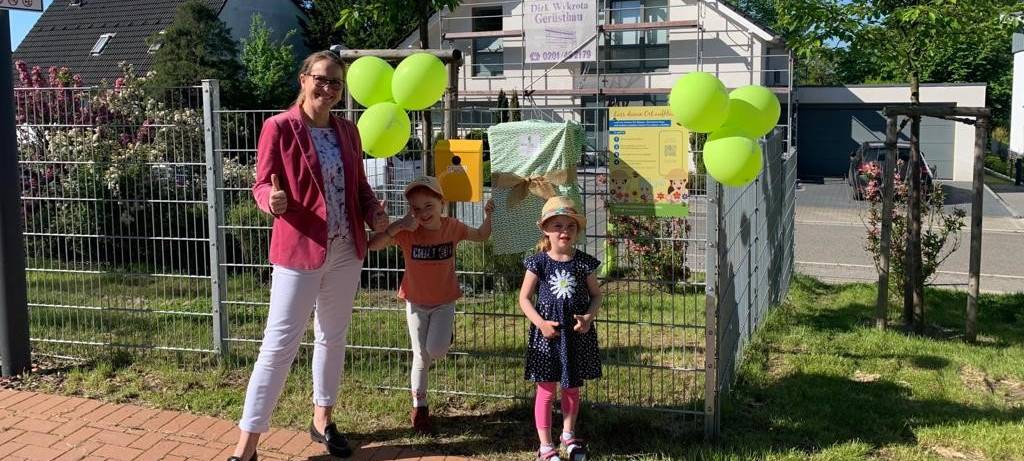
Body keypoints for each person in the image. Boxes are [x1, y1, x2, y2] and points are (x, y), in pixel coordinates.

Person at [228, 51, 389, 461]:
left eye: (337, 83)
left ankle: (322, 419)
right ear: (303, 79)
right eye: (322, 79)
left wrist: (374, 212)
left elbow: (360, 190)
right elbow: (261, 185)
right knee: (278, 344)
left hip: (345, 251)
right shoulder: (279, 128)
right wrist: (272, 201)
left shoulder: (348, 132)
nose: (329, 89)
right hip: (299, 249)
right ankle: (247, 448)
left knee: (332, 338)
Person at [368, 176, 493, 433]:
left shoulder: (452, 227)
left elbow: (481, 235)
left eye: (428, 206)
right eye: (415, 208)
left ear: (441, 203)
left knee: (435, 350)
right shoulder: (406, 231)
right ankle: (420, 407)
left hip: (444, 302)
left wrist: (489, 215)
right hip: (415, 302)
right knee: (420, 356)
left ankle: (444, 337)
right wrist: (396, 225)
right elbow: (373, 245)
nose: (422, 213)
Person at [518, 196, 602, 461]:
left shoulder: (583, 263)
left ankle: (568, 434)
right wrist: (540, 323)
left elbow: (596, 295)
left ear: (577, 231)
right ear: (545, 229)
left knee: (571, 386)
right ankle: (545, 445)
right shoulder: (538, 263)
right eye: (557, 226)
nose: (564, 231)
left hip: (575, 336)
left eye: (570, 226)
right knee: (546, 389)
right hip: (547, 336)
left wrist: (588, 317)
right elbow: (523, 298)